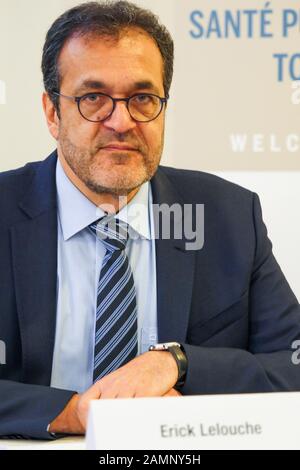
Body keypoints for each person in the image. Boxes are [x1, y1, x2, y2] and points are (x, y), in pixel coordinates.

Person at [0, 0, 300, 440]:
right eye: (93, 98)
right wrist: (73, 412)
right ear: (51, 112)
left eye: (142, 98)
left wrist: (178, 362)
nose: (121, 122)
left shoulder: (229, 216)